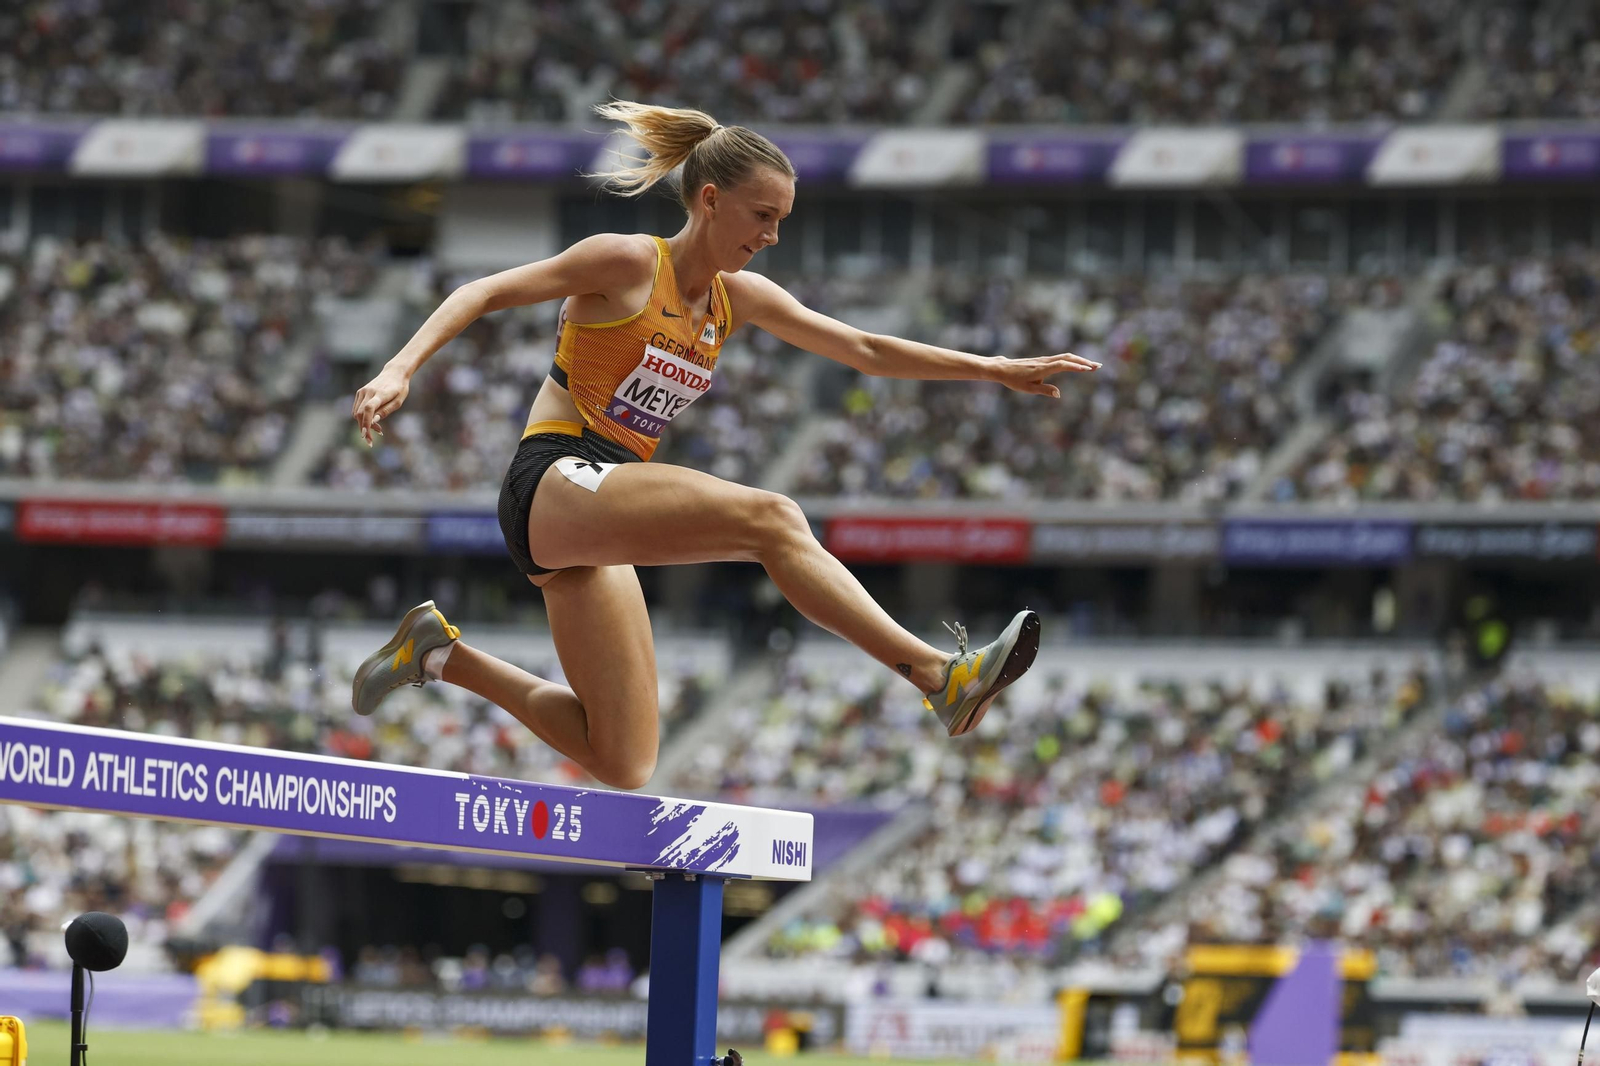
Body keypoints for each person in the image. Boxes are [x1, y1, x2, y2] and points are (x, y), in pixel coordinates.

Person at [348, 101, 1097, 790]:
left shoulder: (740, 299)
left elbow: (864, 347)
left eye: (782, 222)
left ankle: (437, 654)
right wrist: (397, 368)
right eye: (762, 216)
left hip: (601, 513)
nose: (771, 236)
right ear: (710, 200)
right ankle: (940, 676)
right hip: (553, 477)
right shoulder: (629, 263)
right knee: (772, 520)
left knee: (623, 759)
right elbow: (480, 291)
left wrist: (994, 369)